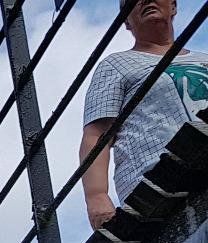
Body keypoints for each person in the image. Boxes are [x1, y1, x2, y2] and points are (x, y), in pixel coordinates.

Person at [81, 0, 208, 230]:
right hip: (156, 186)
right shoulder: (116, 65)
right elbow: (97, 135)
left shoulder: (205, 59)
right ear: (126, 22)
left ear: (173, 6)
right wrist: (96, 196)